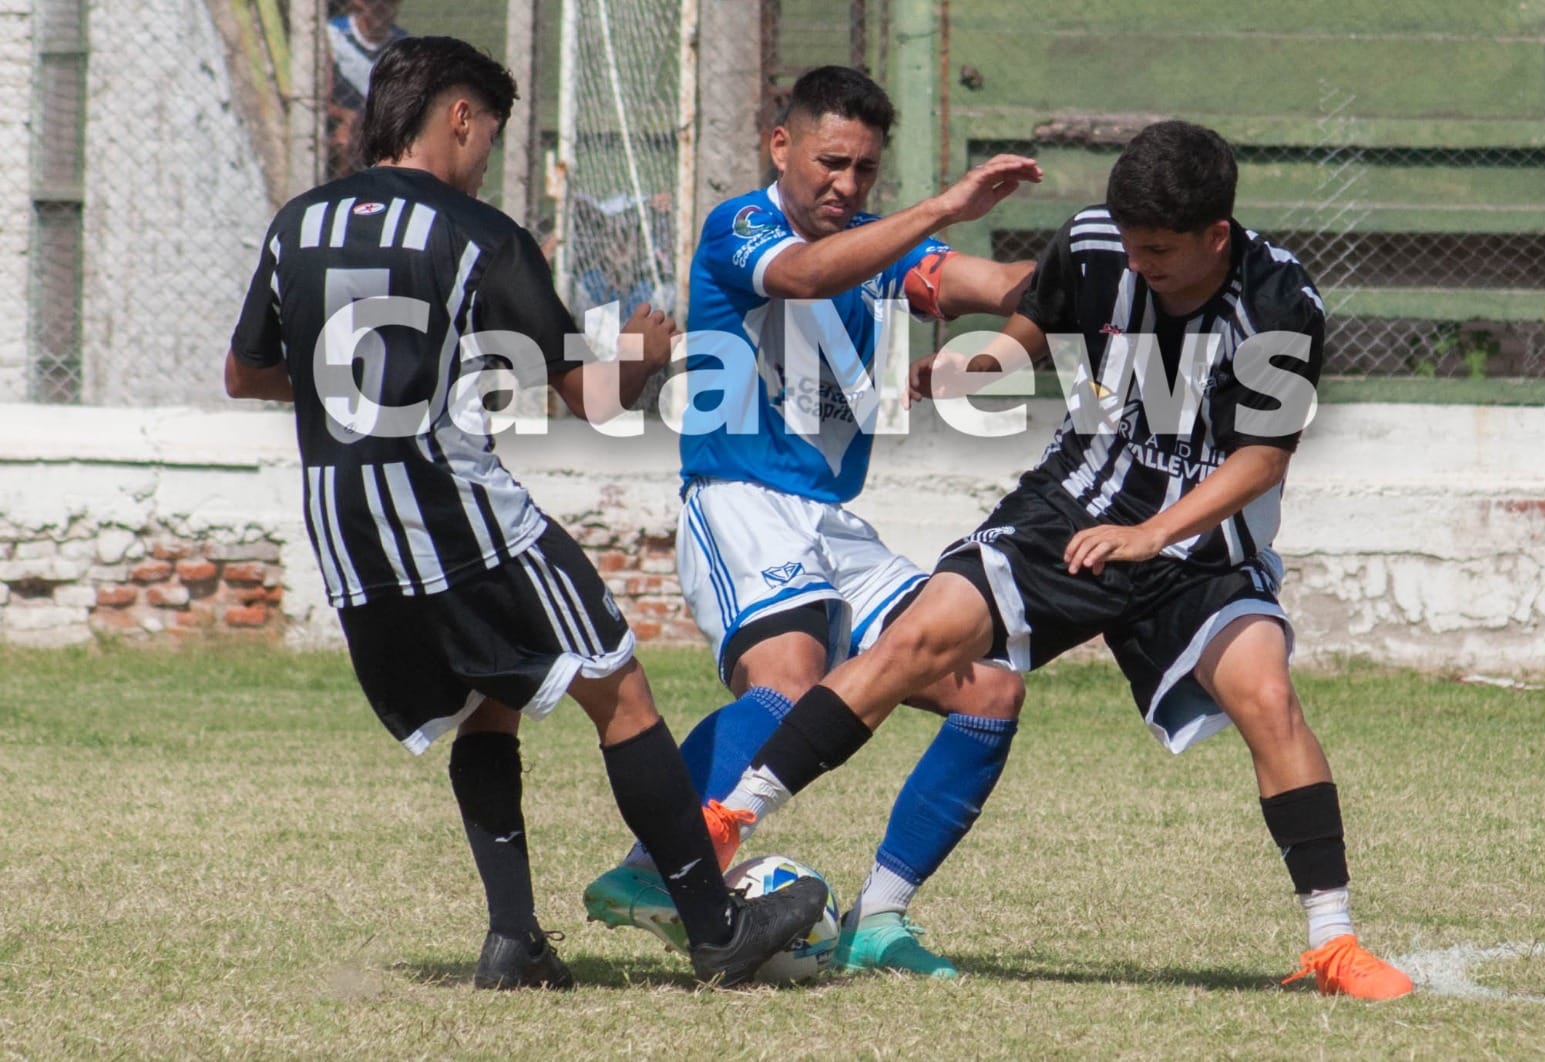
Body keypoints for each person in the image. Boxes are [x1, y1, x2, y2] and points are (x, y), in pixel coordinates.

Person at [706, 120, 1416, 1000]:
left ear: (1216, 238)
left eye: (1158, 249)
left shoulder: (1282, 303)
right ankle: (730, 817)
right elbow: (1040, 319)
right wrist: (987, 362)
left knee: (1268, 698)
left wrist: (1153, 535)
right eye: (1128, 241)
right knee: (921, 639)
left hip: (1200, 544)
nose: (1137, 261)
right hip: (1073, 506)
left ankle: (1333, 943)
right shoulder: (1095, 242)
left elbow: (1260, 461)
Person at [224, 35, 825, 990]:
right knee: (618, 689)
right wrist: (645, 348)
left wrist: (364, 394)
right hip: (455, 509)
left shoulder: (297, 224)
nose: (486, 156)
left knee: (490, 698)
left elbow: (247, 372)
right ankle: (717, 930)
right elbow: (590, 398)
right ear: (460, 116)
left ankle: (514, 942)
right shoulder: (476, 233)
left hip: (347, 524)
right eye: (490, 135)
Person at [582, 65, 1040, 978]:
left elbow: (1031, 293)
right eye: (833, 162)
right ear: (780, 145)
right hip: (738, 499)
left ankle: (881, 918)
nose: (848, 185)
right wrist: (941, 210)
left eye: (866, 171)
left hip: (833, 522)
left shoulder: (886, 247)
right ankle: (649, 868)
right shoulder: (739, 228)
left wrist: (983, 362)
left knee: (987, 686)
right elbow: (798, 276)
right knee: (786, 680)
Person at [326, 0, 408, 179]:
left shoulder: (403, 44)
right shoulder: (334, 35)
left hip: (381, 124)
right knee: (346, 138)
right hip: (340, 121)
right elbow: (322, 98)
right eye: (374, 3)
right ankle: (340, 191)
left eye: (389, 3)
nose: (382, 8)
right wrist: (347, 116)